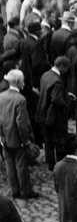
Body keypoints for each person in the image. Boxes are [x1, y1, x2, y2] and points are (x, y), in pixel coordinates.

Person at [0, 70, 37, 199]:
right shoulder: (20, 99)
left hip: (4, 137)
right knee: (21, 166)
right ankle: (26, 191)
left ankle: (14, 190)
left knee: (9, 165)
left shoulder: (1, 96)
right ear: (19, 81)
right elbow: (21, 123)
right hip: (17, 138)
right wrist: (26, 140)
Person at [37, 56, 72, 170]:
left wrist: (65, 95)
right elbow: (57, 100)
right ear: (61, 66)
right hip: (55, 116)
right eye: (66, 68)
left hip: (43, 112)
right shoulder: (57, 80)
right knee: (58, 140)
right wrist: (67, 104)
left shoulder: (45, 75)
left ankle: (50, 163)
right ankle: (60, 164)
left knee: (48, 140)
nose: (67, 71)